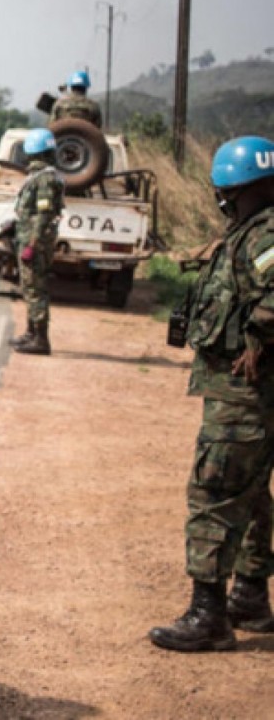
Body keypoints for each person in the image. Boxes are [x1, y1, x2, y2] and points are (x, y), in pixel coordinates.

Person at [149, 135, 274, 653]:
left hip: (245, 393)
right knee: (251, 494)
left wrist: (260, 338)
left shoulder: (267, 232)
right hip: (249, 393)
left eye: (227, 192)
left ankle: (209, 615)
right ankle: (248, 596)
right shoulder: (251, 231)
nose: (222, 200)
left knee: (215, 492)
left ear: (243, 190)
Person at [9, 129, 64, 355]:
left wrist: (32, 245)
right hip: (29, 239)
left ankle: (41, 340)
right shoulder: (39, 177)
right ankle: (31, 333)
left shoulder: (45, 179)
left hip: (36, 244)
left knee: (36, 290)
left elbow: (43, 215)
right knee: (29, 288)